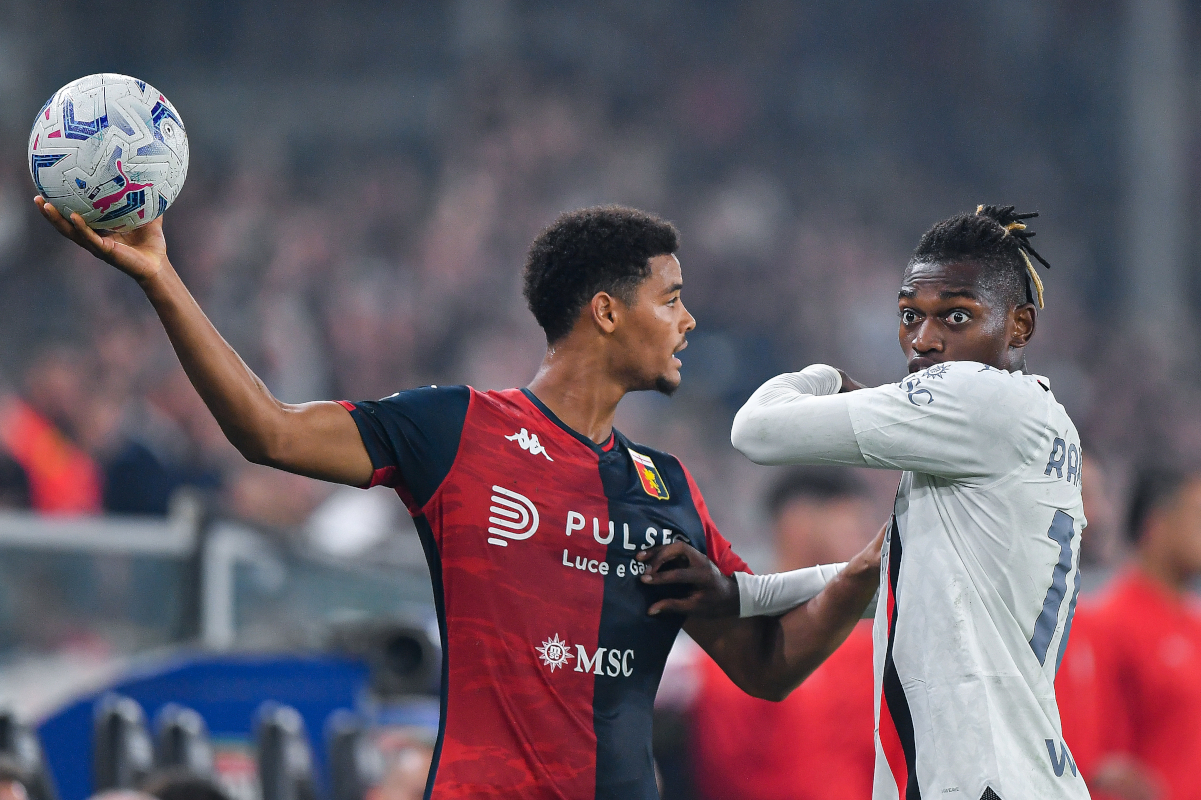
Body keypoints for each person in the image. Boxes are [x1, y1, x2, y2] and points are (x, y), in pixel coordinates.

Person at [35, 198, 882, 800]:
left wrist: (865, 571)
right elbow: (271, 431)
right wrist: (160, 279)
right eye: (670, 298)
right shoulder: (456, 430)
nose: (689, 320)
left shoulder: (668, 487)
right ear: (606, 313)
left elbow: (763, 666)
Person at [641, 205, 1088, 800]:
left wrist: (825, 379)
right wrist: (745, 594)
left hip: (978, 781)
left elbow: (754, 430)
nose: (925, 341)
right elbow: (882, 577)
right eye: (909, 316)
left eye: (957, 316)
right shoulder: (1042, 431)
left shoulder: (975, 397)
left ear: (1020, 326)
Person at [689, 468, 877, 800]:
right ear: (799, 524)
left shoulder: (876, 643)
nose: (863, 545)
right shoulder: (722, 648)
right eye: (852, 525)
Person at [1062, 466, 1201, 800]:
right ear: (1157, 523)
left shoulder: (1194, 622)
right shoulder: (1107, 623)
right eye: (1197, 516)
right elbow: (1094, 758)